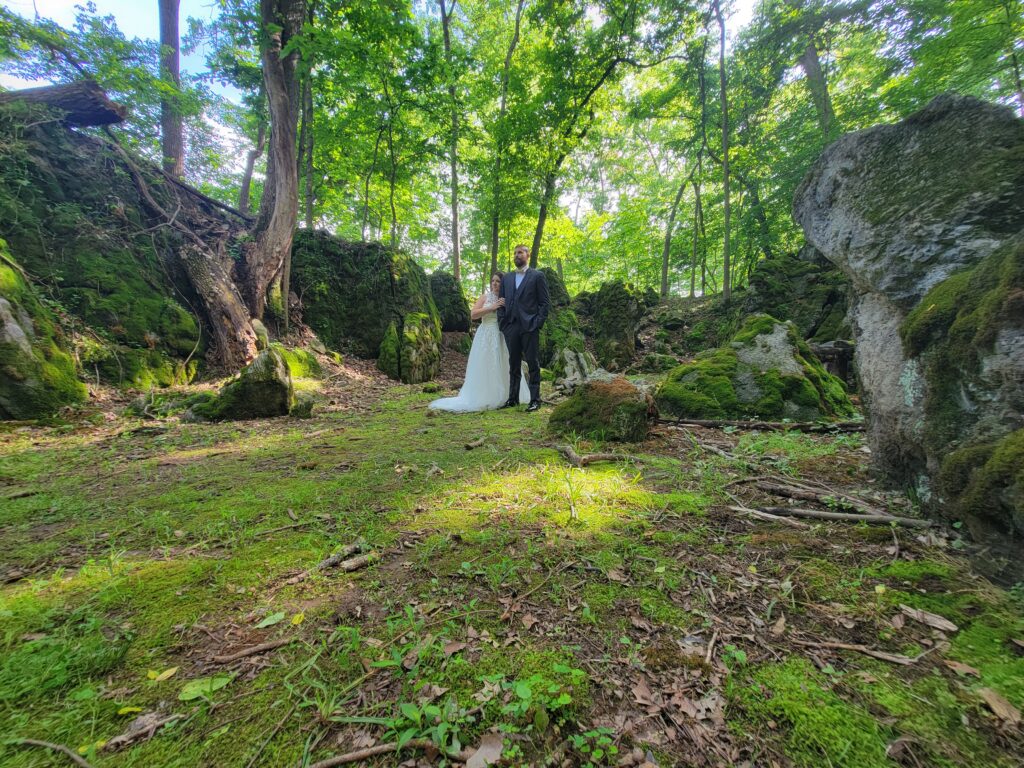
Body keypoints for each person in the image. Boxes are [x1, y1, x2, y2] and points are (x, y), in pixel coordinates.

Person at [428, 273, 530, 412]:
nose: (494, 283)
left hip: (502, 335)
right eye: (493, 281)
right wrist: (491, 307)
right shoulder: (485, 297)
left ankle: (510, 395)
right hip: (486, 334)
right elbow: (473, 314)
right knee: (486, 364)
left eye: (498, 281)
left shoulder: (508, 298)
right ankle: (486, 396)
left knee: (505, 364)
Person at [497, 244, 550, 412]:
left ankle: (535, 400)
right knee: (513, 364)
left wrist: (537, 323)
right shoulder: (507, 278)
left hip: (530, 326)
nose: (516, 255)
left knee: (533, 363)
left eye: (520, 252)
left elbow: (544, 303)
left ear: (528, 255)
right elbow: (502, 302)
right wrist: (503, 323)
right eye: (514, 253)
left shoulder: (537, 276)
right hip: (511, 327)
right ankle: (513, 398)